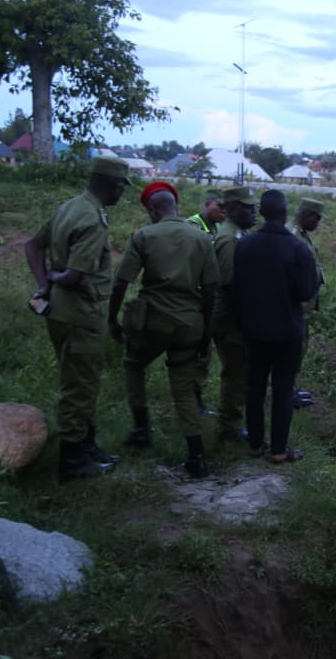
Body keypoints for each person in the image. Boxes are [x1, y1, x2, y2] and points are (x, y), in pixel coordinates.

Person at [23, 156, 130, 481]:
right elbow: (73, 277)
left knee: (83, 379)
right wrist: (54, 278)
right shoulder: (90, 219)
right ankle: (72, 460)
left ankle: (87, 446)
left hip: (62, 312)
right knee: (79, 386)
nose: (121, 194)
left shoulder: (70, 206)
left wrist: (43, 284)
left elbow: (32, 246)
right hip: (81, 314)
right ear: (111, 185)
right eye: (121, 187)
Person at [108, 182, 219, 478]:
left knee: (133, 363)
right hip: (189, 323)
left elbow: (121, 282)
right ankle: (196, 456)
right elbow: (210, 291)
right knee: (183, 387)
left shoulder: (144, 235)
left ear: (152, 210)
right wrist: (206, 332)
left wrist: (112, 319)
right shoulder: (201, 238)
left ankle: (142, 428)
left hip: (152, 322)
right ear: (177, 207)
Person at [234, 190, 320, 463]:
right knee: (283, 388)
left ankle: (256, 444)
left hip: (254, 329)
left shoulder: (245, 245)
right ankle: (279, 450)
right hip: (288, 330)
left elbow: (237, 288)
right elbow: (307, 292)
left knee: (255, 386)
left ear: (261, 211)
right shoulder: (298, 248)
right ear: (285, 213)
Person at [212, 186, 257, 443]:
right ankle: (228, 426)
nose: (253, 212)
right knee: (235, 372)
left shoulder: (238, 234)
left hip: (236, 317)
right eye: (247, 208)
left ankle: (232, 421)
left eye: (254, 207)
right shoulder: (229, 239)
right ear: (230, 209)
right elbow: (229, 285)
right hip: (231, 319)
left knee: (241, 371)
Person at [184, 190, 225, 416]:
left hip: (207, 298)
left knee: (203, 350)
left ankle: (194, 397)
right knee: (197, 351)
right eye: (220, 206)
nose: (223, 211)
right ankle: (192, 401)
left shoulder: (215, 228)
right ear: (207, 203)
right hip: (195, 299)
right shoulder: (194, 226)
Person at [287, 197, 327, 408]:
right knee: (292, 350)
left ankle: (290, 387)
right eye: (317, 218)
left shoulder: (301, 235)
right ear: (307, 216)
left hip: (303, 308)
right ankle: (285, 391)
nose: (318, 223)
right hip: (296, 308)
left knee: (299, 348)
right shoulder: (293, 236)